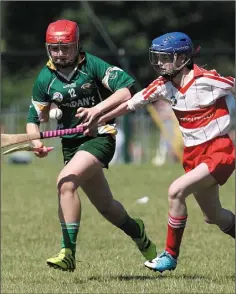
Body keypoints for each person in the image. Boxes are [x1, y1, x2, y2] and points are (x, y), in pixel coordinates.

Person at [77, 32, 235, 273]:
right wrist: (98, 118)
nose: (159, 63)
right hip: (192, 156)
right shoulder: (162, 86)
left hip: (219, 150)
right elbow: (130, 104)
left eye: (165, 58)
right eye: (157, 57)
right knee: (213, 216)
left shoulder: (208, 80)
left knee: (176, 191)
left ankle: (170, 256)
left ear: (182, 58)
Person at [26, 19, 157, 272]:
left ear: (77, 46)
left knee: (65, 182)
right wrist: (35, 143)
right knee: (107, 208)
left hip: (100, 136)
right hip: (72, 146)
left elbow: (126, 90)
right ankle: (138, 232)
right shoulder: (45, 78)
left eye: (66, 48)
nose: (60, 53)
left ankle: (68, 253)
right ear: (47, 48)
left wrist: (96, 111)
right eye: (54, 48)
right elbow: (34, 121)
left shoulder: (91, 65)